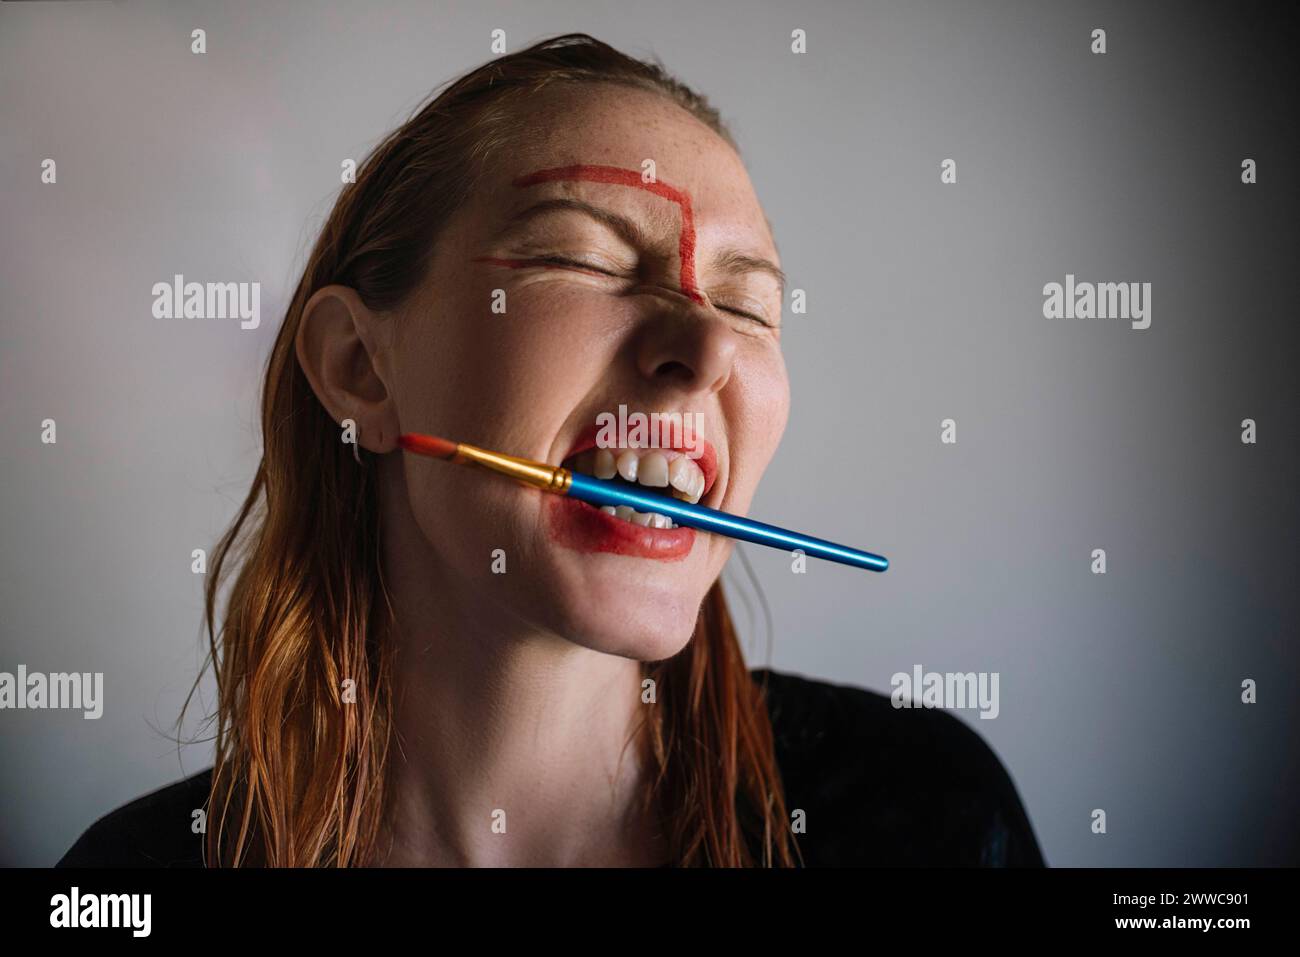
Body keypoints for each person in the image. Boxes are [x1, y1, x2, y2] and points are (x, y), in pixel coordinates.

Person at [58, 33, 1044, 868]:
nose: (706, 349)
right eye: (583, 257)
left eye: (749, 306)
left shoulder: (925, 816)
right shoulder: (125, 878)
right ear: (359, 366)